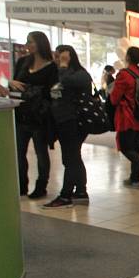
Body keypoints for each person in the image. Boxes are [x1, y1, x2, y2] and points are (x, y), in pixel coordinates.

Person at [41, 45, 92, 208]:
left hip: (75, 121)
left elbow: (66, 82)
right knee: (73, 157)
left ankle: (66, 195)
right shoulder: (58, 73)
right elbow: (55, 94)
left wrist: (63, 67)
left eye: (60, 56)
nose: (57, 60)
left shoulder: (80, 74)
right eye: (56, 56)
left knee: (70, 158)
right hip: (63, 121)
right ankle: (81, 192)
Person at [11, 31, 59, 199]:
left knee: (41, 152)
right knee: (19, 152)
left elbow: (54, 91)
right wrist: (12, 83)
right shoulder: (23, 62)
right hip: (21, 112)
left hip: (40, 116)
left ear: (40, 44)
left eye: (31, 42)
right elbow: (14, 82)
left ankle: (41, 186)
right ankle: (21, 185)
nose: (27, 45)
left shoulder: (52, 67)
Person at [110, 47, 139, 189]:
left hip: (127, 117)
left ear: (128, 58)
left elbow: (114, 98)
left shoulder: (124, 74)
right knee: (135, 147)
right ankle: (134, 178)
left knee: (125, 147)